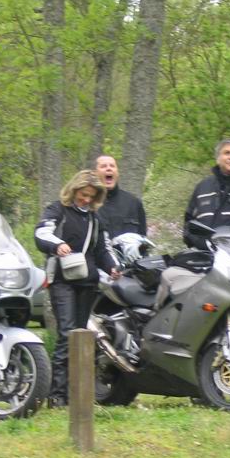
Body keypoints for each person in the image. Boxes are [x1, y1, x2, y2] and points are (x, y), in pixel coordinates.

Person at [35, 170, 120, 408]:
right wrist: (58, 245)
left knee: (82, 336)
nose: (86, 200)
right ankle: (57, 396)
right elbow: (41, 234)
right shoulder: (57, 210)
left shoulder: (95, 218)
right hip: (62, 281)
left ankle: (77, 394)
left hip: (88, 282)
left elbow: (103, 250)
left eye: (91, 196)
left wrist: (113, 267)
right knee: (66, 333)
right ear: (74, 191)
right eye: (83, 195)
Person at [94, 155, 147, 238]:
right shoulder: (88, 202)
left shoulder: (133, 203)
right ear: (95, 173)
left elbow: (142, 239)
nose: (109, 168)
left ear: (117, 173)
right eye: (103, 166)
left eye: (112, 166)